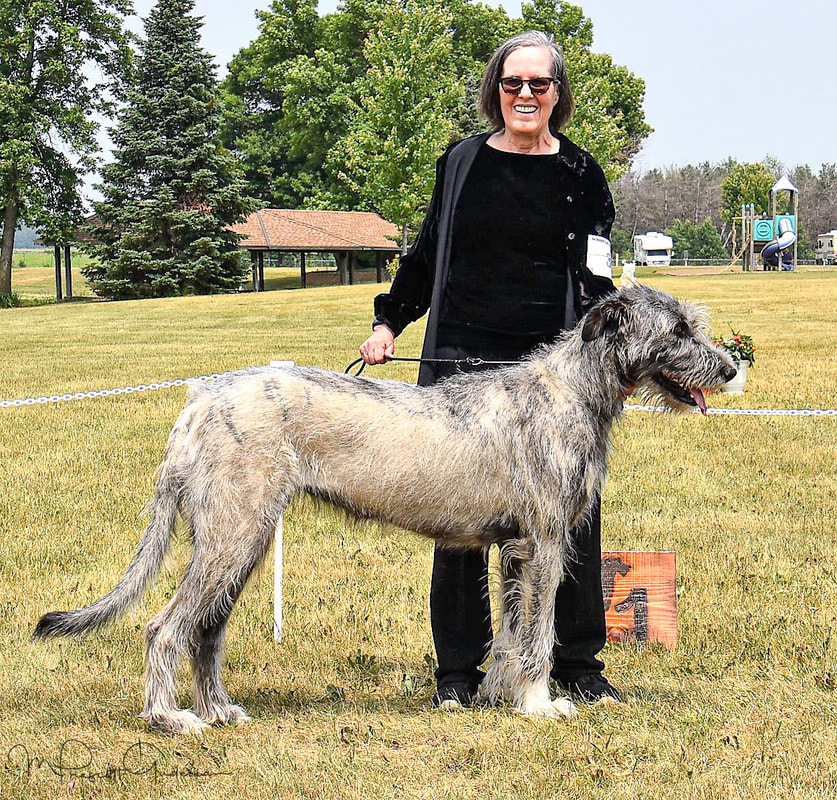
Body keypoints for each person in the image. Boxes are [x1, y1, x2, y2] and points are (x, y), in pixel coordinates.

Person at [358, 30, 620, 711]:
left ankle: (576, 665)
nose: (525, 95)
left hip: (554, 374)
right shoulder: (461, 162)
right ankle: (456, 676)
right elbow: (423, 254)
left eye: (539, 84)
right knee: (458, 521)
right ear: (494, 90)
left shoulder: (581, 173)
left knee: (568, 521)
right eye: (512, 84)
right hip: (461, 361)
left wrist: (607, 361)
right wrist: (389, 321)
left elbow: (595, 279)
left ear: (557, 94)